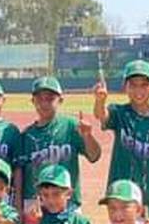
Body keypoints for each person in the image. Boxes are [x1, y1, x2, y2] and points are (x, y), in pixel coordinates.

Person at [93, 60, 149, 224]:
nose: (139, 90)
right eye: (133, 85)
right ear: (126, 87)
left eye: (144, 85)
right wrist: (100, 101)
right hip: (122, 198)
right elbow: (102, 116)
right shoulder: (120, 113)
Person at [15, 76, 101, 213]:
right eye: (39, 99)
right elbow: (19, 173)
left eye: (50, 98)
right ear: (33, 101)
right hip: (36, 204)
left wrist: (87, 136)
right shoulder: (26, 135)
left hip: (68, 201)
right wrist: (19, 206)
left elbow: (94, 156)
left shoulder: (71, 126)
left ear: (60, 100)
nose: (44, 103)